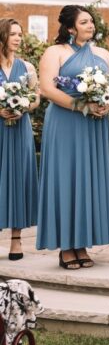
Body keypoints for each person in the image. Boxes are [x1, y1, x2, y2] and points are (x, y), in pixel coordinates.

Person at [36, 5, 109, 269]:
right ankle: (66, 246)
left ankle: (82, 242)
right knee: (66, 177)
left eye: (91, 21)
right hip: (65, 122)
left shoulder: (103, 54)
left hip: (95, 125)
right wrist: (81, 105)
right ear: (70, 28)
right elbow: (47, 89)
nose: (90, 25)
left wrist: (107, 105)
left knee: (89, 179)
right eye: (84, 22)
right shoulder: (55, 52)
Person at [0, 19, 40, 261]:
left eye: (20, 34)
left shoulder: (27, 67)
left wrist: (23, 107)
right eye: (12, 34)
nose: (17, 38)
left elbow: (36, 97)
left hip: (19, 128)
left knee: (19, 177)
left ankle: (17, 238)